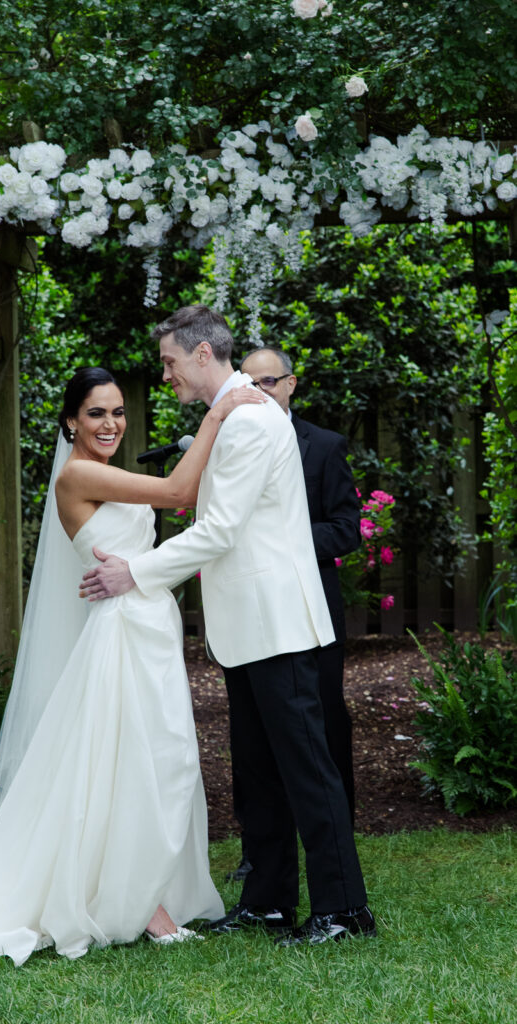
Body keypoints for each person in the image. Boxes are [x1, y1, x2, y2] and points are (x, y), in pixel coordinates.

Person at [0, 366, 263, 983]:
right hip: (120, 635)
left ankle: (145, 890)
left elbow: (172, 505)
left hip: (149, 623)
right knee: (132, 763)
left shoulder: (107, 469)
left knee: (161, 761)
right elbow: (177, 493)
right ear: (71, 422)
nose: (111, 423)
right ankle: (144, 907)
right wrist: (218, 414)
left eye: (118, 412)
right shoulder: (78, 473)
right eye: (96, 413)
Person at [80, 306, 376, 948]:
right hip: (247, 627)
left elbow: (218, 530)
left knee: (307, 770)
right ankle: (268, 901)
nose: (165, 375)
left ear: (203, 355)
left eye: (169, 362)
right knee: (261, 772)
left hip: (277, 626)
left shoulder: (247, 421)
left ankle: (343, 911)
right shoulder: (234, 415)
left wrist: (137, 572)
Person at [234, 347, 360, 876]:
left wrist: (281, 539)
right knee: (254, 735)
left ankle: (337, 839)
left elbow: (346, 529)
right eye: (251, 382)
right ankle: (258, 854)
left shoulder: (324, 446)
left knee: (324, 721)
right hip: (255, 612)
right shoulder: (232, 439)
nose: (259, 391)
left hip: (314, 609)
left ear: (291, 384)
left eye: (269, 382)